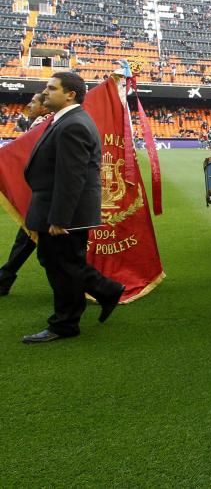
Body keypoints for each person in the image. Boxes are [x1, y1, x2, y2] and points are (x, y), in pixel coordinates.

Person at [21, 73, 125, 343]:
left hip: (65, 213)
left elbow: (71, 176)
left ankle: (65, 324)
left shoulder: (72, 124)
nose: (45, 92)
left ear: (70, 94)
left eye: (51, 88)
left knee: (63, 266)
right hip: (56, 207)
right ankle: (106, 291)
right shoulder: (66, 121)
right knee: (60, 262)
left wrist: (60, 218)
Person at [0, 93, 51, 296]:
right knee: (30, 237)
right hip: (40, 193)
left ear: (45, 107)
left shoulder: (44, 123)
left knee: (46, 248)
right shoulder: (39, 122)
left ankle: (99, 286)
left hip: (45, 193)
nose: (29, 104)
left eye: (34, 102)